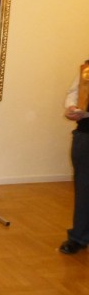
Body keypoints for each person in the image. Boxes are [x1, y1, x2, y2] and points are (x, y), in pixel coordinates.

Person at [58, 74, 89, 254]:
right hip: (85, 135)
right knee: (84, 189)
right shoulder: (87, 68)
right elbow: (74, 92)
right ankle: (79, 237)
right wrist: (72, 107)